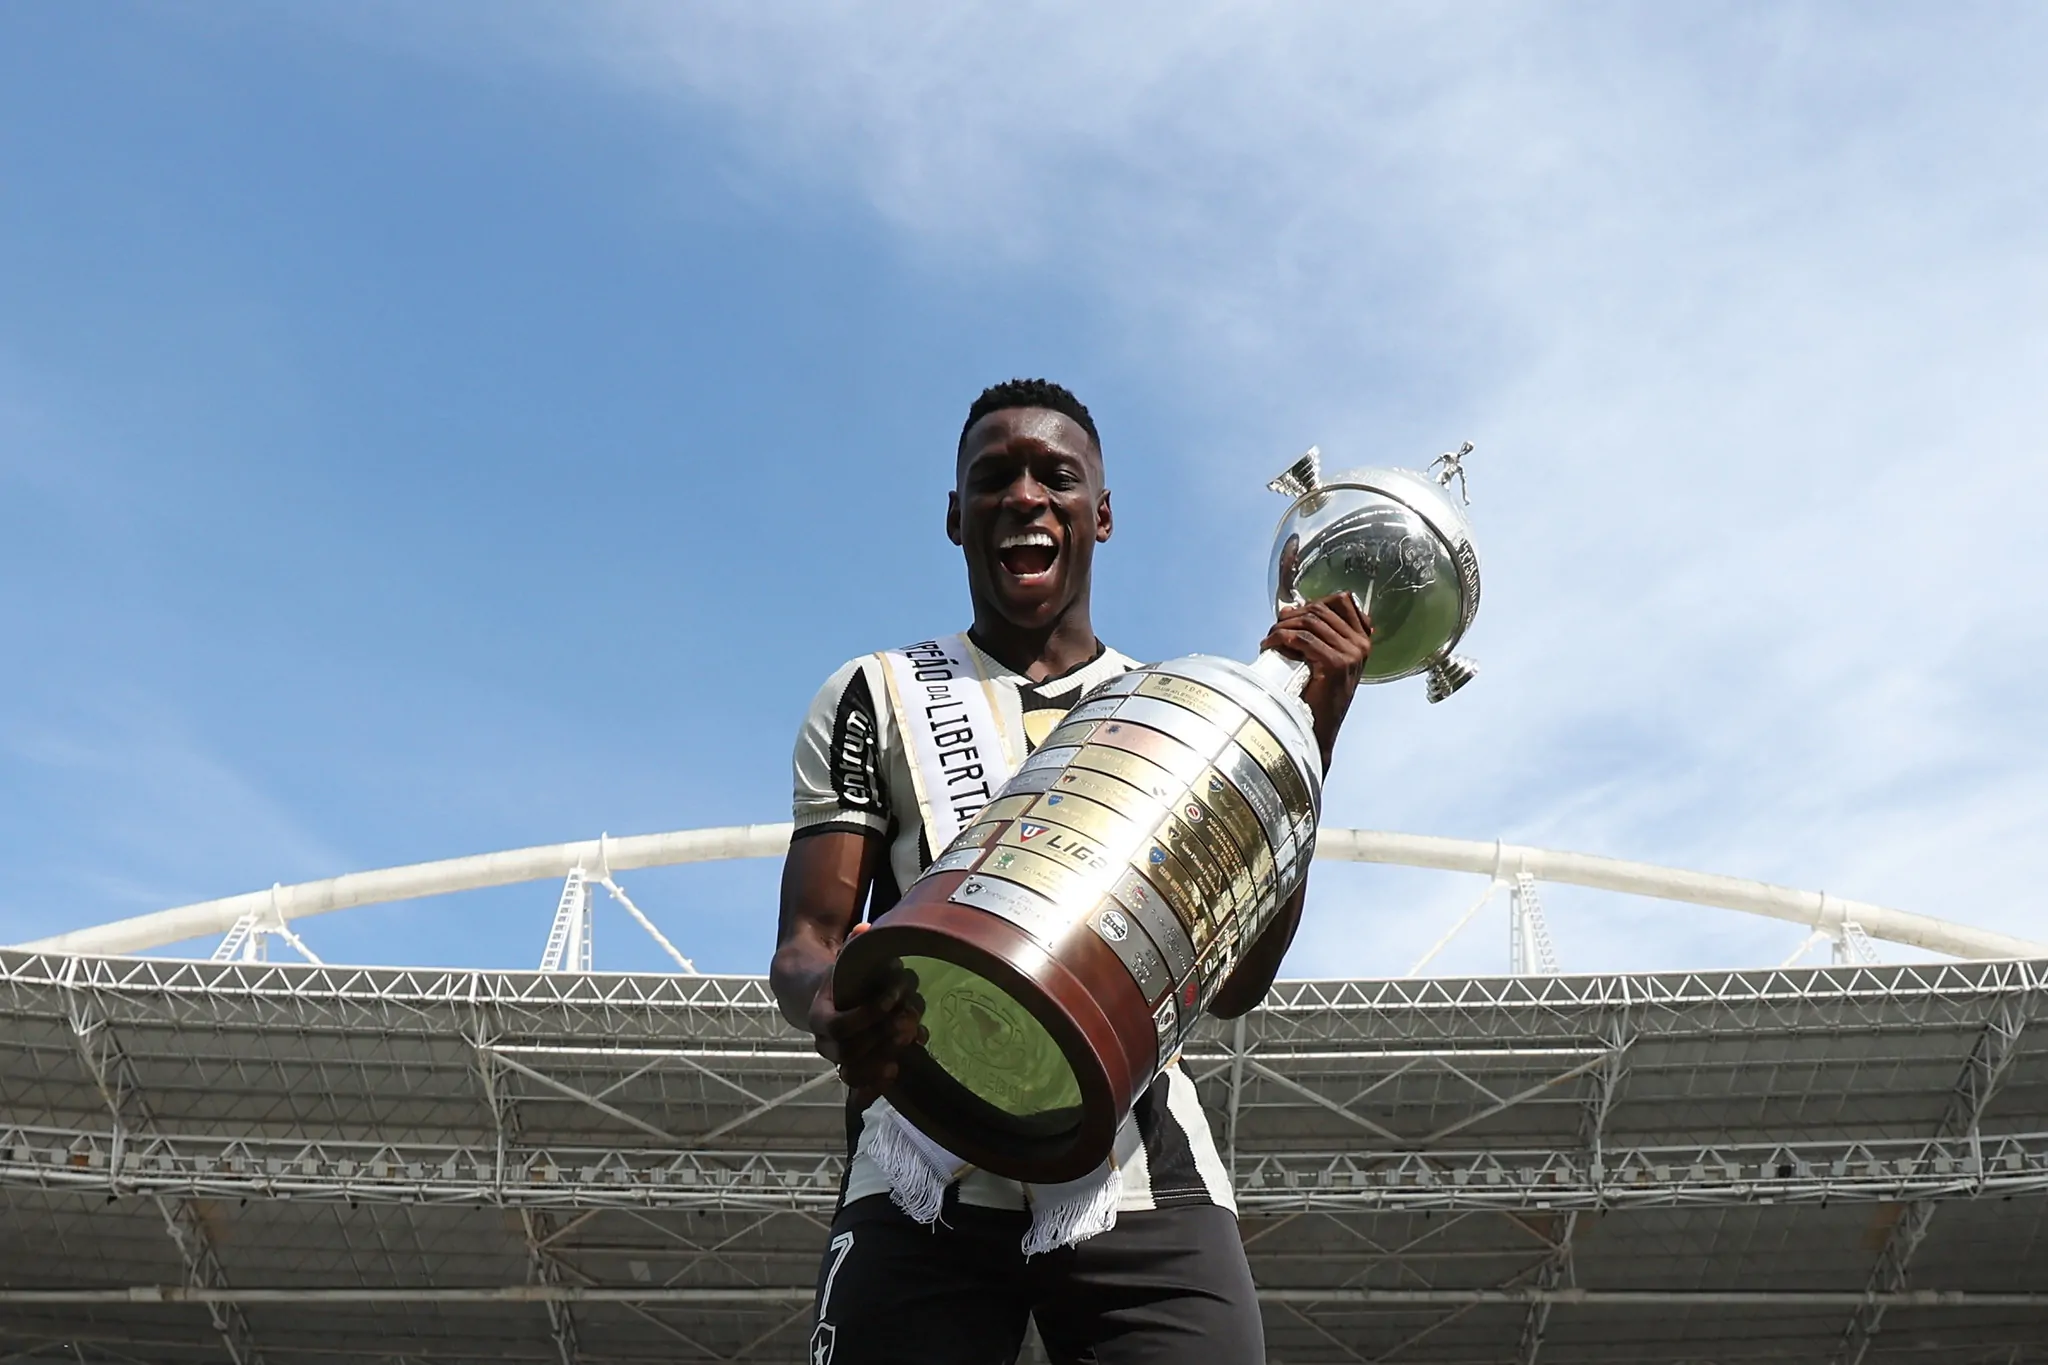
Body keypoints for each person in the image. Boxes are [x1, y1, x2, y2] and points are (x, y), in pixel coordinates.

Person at [772, 378, 1372, 1365]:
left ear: (1099, 515)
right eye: (992, 478)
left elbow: (1233, 988)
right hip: (918, 1160)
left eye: (1055, 476)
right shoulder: (872, 694)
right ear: (955, 516)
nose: (1024, 496)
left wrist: (1302, 744)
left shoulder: (1176, 709)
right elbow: (805, 944)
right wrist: (830, 1007)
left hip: (1137, 1173)